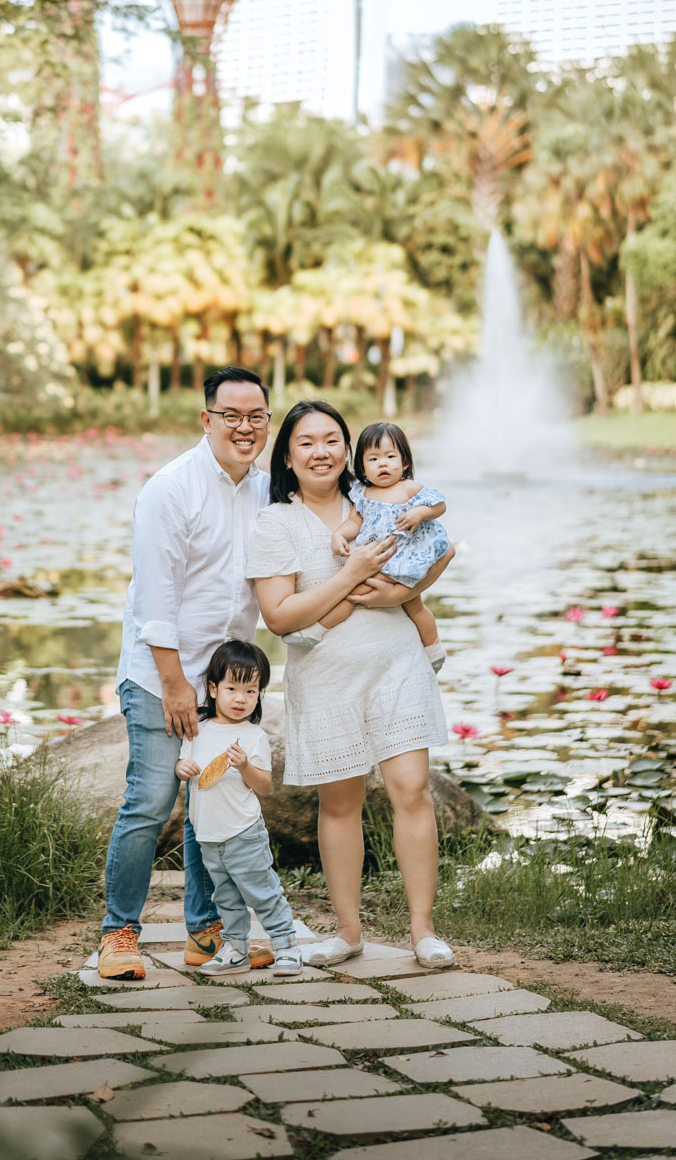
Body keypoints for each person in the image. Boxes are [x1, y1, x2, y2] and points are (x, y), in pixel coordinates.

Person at [247, 400, 457, 970]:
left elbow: (441, 550)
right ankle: (347, 932)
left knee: (410, 788)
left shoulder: (376, 498)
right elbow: (280, 617)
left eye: (333, 440)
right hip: (327, 676)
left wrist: (396, 595)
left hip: (395, 662)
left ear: (350, 449)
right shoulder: (276, 523)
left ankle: (422, 931)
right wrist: (354, 574)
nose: (322, 452)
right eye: (307, 442)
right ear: (287, 457)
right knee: (339, 803)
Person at [97, 367, 274, 981]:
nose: (244, 427)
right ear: (207, 419)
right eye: (232, 415)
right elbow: (154, 599)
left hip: (224, 684)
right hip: (159, 675)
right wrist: (176, 684)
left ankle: (205, 931)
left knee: (212, 801)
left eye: (256, 417)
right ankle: (118, 933)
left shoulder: (266, 491)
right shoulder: (170, 488)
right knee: (150, 803)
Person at [176, 640, 302, 977]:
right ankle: (235, 949)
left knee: (262, 891)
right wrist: (182, 769)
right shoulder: (198, 730)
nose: (240, 698)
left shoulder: (253, 736)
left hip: (243, 831)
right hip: (208, 834)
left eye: (251, 690)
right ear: (214, 689)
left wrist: (245, 765)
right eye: (232, 688)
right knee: (225, 897)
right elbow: (184, 765)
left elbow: (263, 785)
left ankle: (286, 944)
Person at [317, 422, 454, 666]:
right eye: (373, 459)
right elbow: (353, 521)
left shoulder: (407, 488)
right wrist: (338, 535)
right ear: (362, 467)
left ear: (405, 463)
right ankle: (319, 628)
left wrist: (419, 513)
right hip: (377, 561)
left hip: (402, 559)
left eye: (390, 457)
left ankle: (434, 649)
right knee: (366, 596)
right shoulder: (362, 493)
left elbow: (439, 505)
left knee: (415, 608)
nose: (383, 464)